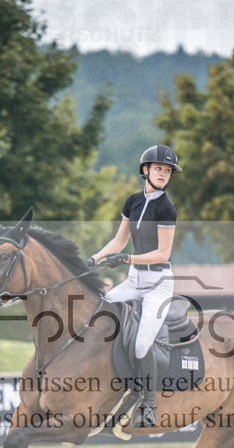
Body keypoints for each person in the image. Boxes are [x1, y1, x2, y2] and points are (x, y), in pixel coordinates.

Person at [87, 144, 181, 427]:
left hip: (158, 284)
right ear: (145, 170)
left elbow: (163, 253)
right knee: (98, 312)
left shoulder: (167, 208)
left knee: (142, 345)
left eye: (167, 171)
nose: (163, 173)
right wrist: (92, 260)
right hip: (134, 281)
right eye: (158, 169)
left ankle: (149, 405)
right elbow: (118, 241)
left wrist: (127, 257)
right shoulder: (133, 201)